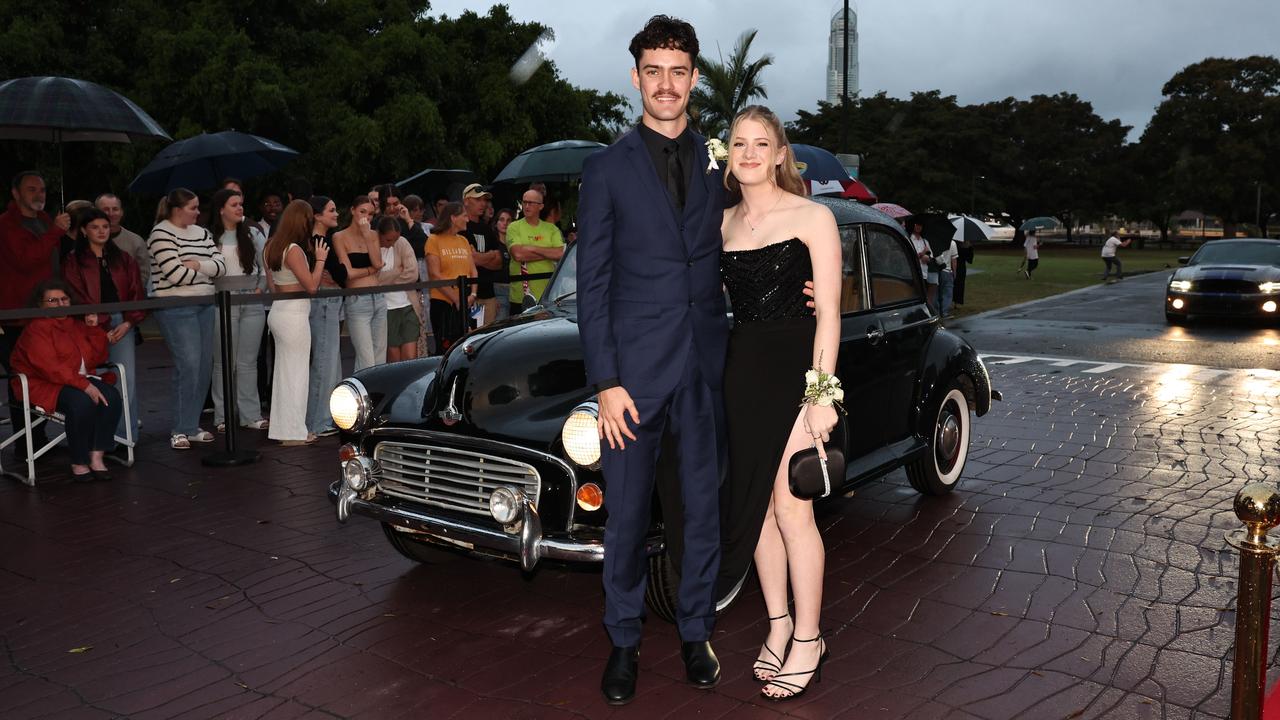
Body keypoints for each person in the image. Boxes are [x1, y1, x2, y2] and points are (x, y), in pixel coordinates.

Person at [576, 14, 726, 705]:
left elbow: (759, 238)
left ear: (694, 77)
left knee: (701, 510)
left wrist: (808, 282)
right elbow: (594, 285)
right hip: (632, 380)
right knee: (629, 516)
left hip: (703, 368)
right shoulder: (606, 168)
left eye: (679, 71)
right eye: (654, 71)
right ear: (636, 78)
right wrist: (605, 381)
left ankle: (696, 631)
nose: (667, 84)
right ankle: (625, 642)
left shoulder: (721, 163)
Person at [717, 105, 840, 702]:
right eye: (739, 143)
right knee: (759, 511)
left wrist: (821, 397)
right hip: (742, 375)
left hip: (797, 374)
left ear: (780, 154)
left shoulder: (813, 217)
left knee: (794, 510)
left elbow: (832, 315)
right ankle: (778, 625)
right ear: (728, 155)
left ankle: (811, 638)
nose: (749, 153)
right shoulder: (720, 227)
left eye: (760, 143)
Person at [9, 281, 123, 481]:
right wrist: (86, 386)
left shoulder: (76, 325)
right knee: (81, 403)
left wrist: (93, 329)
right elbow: (50, 368)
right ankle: (79, 461)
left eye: (64, 299)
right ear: (40, 305)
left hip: (75, 380)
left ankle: (96, 456)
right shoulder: (36, 329)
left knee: (111, 397)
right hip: (43, 383)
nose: (60, 303)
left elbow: (97, 358)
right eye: (52, 300)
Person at [148, 188, 226, 449]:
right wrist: (206, 270)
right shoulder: (160, 234)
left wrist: (197, 265)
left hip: (204, 303)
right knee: (189, 364)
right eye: (193, 207)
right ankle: (180, 428)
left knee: (204, 365)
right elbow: (174, 274)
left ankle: (191, 426)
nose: (198, 212)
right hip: (174, 306)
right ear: (177, 209)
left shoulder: (203, 233)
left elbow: (221, 266)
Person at [1, 172, 71, 457]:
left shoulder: (44, 222)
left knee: (42, 376)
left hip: (46, 314)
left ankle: (39, 439)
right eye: (31, 189)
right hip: (17, 317)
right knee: (22, 379)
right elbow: (25, 260)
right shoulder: (6, 225)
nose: (39, 194)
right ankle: (25, 443)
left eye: (42, 189)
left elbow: (55, 261)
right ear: (15, 193)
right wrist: (56, 231)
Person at [62, 207, 145, 441]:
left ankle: (125, 436)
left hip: (122, 322)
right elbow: (74, 292)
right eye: (95, 227)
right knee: (93, 379)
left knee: (125, 380)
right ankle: (96, 438)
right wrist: (98, 321)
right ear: (84, 231)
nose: (101, 231)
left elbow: (136, 292)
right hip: (88, 325)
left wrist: (129, 322)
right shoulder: (73, 260)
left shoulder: (124, 258)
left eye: (105, 226)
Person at [265, 200, 329, 446]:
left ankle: (285, 430)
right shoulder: (293, 250)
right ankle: (294, 433)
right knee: (296, 374)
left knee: (283, 374)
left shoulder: (271, 246)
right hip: (294, 315)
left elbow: (272, 285)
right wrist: (321, 259)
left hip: (279, 312)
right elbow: (312, 286)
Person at [204, 189, 269, 433]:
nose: (240, 208)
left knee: (248, 361)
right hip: (222, 301)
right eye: (234, 205)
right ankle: (222, 416)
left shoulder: (252, 233)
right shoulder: (209, 236)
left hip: (251, 300)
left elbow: (265, 266)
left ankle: (250, 415)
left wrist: (260, 290)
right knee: (223, 362)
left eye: (241, 204)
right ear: (221, 208)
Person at [304, 196, 345, 438]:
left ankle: (326, 417)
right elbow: (341, 274)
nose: (336, 214)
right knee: (324, 361)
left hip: (329, 301)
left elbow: (340, 273)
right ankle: (317, 421)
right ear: (317, 215)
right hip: (324, 302)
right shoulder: (318, 242)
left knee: (331, 360)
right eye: (331, 210)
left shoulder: (324, 240)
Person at [333, 195, 386, 371]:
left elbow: (378, 263)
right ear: (352, 210)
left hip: (378, 297)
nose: (366, 217)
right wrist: (370, 270)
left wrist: (366, 234)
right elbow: (348, 273)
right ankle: (363, 396)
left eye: (370, 214)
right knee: (366, 359)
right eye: (362, 212)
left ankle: (374, 396)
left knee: (379, 356)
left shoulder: (372, 235)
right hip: (357, 299)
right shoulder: (339, 236)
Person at [425, 202, 477, 353]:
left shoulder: (464, 241)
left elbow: (473, 270)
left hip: (465, 301)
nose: (468, 219)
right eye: (464, 216)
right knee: (446, 350)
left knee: (466, 347)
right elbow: (435, 274)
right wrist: (456, 298)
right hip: (443, 303)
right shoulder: (434, 240)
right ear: (453, 218)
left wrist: (472, 294)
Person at [506, 188, 564, 314]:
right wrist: (548, 253)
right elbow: (518, 254)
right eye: (524, 202)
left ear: (541, 206)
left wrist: (531, 248)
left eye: (531, 203)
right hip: (521, 297)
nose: (526, 206)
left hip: (548, 295)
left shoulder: (551, 229)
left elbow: (560, 254)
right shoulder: (514, 227)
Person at [376, 216, 423, 361]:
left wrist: (385, 278)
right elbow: (373, 280)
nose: (392, 244)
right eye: (388, 240)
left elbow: (412, 274)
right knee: (394, 360)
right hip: (386, 310)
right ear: (379, 234)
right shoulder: (372, 246)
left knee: (410, 358)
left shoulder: (402, 242)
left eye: (395, 240)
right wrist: (397, 271)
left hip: (408, 306)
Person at [460, 183, 505, 327]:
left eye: (485, 200)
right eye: (478, 199)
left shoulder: (487, 228)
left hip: (489, 294)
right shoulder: (461, 227)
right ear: (466, 201)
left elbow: (499, 262)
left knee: (488, 338)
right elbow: (470, 260)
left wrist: (482, 257)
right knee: (470, 338)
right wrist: (490, 255)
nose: (483, 204)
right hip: (469, 295)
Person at [95, 193, 150, 281]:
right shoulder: (86, 240)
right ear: (96, 212)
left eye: (115, 209)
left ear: (121, 212)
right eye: (105, 209)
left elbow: (143, 274)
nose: (111, 213)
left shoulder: (136, 242)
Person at [936, 237, 959, 318]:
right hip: (947, 270)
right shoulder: (952, 243)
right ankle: (944, 312)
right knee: (947, 293)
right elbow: (954, 260)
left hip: (938, 270)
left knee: (938, 292)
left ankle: (937, 311)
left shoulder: (937, 241)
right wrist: (955, 272)